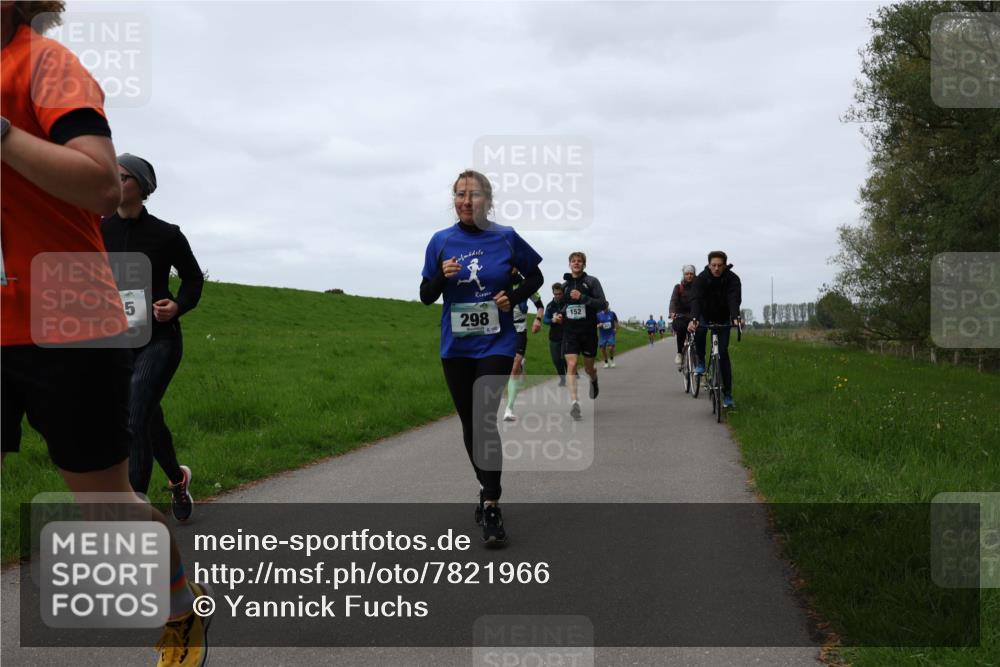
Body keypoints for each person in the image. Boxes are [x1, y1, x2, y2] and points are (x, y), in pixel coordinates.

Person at [0, 4, 212, 666]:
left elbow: (97, 184)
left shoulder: (44, 64)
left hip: (68, 318)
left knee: (108, 509)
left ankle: (181, 609)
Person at [420, 169, 543, 545]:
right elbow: (426, 295)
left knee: (483, 418)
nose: (466, 202)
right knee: (469, 423)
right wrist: (441, 277)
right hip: (456, 346)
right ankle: (485, 486)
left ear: (488, 200)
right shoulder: (440, 241)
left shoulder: (505, 237)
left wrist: (514, 297)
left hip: (497, 341)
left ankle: (491, 503)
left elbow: (535, 277)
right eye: (460, 195)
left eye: (474, 195)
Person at [102, 153, 204, 520]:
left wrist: (177, 306)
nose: (114, 181)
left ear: (141, 187)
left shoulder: (166, 234)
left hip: (160, 340)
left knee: (133, 418)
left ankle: (132, 515)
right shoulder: (99, 230)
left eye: (122, 176)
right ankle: (178, 479)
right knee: (147, 419)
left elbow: (194, 279)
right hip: (117, 343)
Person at [687, 251, 743, 408]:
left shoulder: (733, 279)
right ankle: (700, 361)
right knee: (699, 329)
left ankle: (728, 395)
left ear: (725, 265)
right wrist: (694, 319)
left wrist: (735, 317)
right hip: (705, 314)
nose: (716, 268)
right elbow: (696, 300)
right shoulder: (701, 279)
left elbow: (734, 299)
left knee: (723, 353)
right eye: (714, 265)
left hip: (724, 316)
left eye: (720, 265)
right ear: (709, 265)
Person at [558, 252, 607, 420]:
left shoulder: (591, 282)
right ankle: (574, 403)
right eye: (573, 261)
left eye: (579, 261)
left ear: (584, 265)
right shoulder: (565, 286)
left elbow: (602, 303)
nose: (576, 263)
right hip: (570, 332)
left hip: (588, 332)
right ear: (569, 264)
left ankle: (594, 379)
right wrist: (560, 316)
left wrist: (583, 297)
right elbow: (565, 307)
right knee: (571, 364)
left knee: (588, 368)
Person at [503, 269, 545, 422]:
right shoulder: (500, 281)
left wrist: (538, 320)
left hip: (519, 328)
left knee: (514, 367)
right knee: (504, 365)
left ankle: (509, 408)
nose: (512, 268)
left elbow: (540, 306)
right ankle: (521, 364)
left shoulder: (526, 285)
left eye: (514, 266)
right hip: (501, 329)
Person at [669, 265, 696, 365]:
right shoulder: (678, 287)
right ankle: (679, 352)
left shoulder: (698, 287)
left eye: (691, 274)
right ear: (684, 275)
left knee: (700, 332)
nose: (689, 276)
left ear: (694, 275)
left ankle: (698, 358)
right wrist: (672, 312)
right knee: (680, 328)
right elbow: (673, 301)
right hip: (681, 316)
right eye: (687, 274)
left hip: (694, 316)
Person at [542, 283, 568, 386]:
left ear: (563, 293)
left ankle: (571, 376)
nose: (558, 296)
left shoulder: (568, 303)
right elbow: (545, 320)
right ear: (553, 293)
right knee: (557, 360)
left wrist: (564, 320)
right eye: (555, 294)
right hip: (554, 336)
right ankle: (562, 378)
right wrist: (553, 320)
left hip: (567, 336)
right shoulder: (550, 305)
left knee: (566, 358)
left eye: (560, 294)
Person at [596, 304, 619, 368]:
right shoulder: (598, 315)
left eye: (606, 307)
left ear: (608, 306)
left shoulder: (612, 313)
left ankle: (611, 360)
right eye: (604, 307)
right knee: (602, 349)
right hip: (602, 335)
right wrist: (598, 325)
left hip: (610, 334)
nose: (605, 308)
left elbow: (616, 321)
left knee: (610, 348)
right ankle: (606, 362)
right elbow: (595, 324)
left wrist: (616, 329)